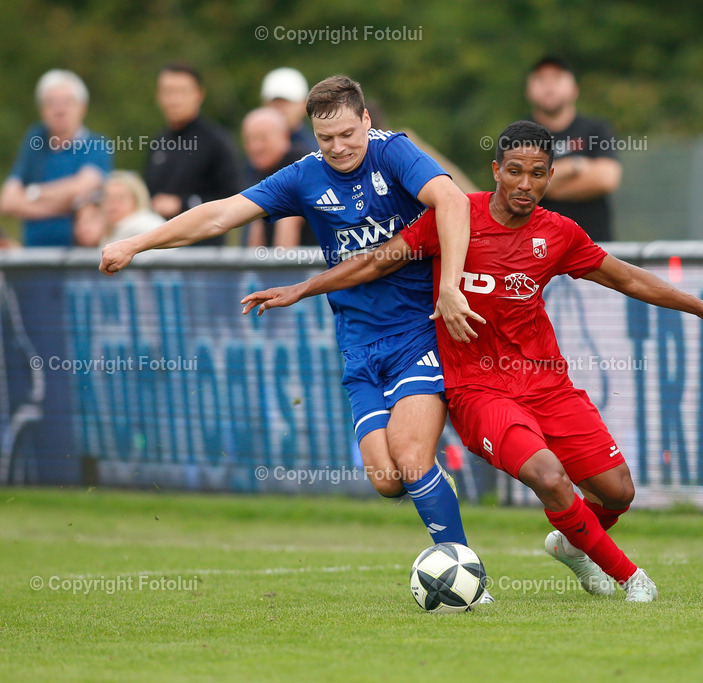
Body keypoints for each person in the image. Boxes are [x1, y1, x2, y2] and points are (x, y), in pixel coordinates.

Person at [239, 121, 703, 602]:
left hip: (548, 385)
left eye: (537, 174)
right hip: (477, 391)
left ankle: (573, 544)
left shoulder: (558, 234)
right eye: (514, 171)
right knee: (549, 476)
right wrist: (302, 288)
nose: (525, 184)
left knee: (618, 490)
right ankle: (631, 578)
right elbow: (378, 258)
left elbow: (626, 277)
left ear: (550, 176)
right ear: (496, 172)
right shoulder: (454, 217)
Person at [100, 76, 490, 601]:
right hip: (357, 342)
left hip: (417, 331)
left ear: (366, 121)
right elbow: (220, 214)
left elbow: (453, 201)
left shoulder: (394, 153)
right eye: (326, 138)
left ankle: (466, 576)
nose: (339, 147)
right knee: (386, 477)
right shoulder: (305, 176)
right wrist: (138, 241)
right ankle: (438, 487)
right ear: (312, 133)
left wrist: (448, 288)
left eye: (348, 134)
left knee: (412, 456)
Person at [0, 69, 112, 246]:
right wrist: (64, 205)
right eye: (51, 103)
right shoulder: (34, 142)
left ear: (82, 107)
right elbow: (7, 201)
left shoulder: (97, 145)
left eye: (67, 102)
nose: (59, 110)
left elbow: (81, 189)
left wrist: (32, 193)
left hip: (80, 260)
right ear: (42, 109)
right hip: (33, 258)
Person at [144, 61, 242, 244]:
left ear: (199, 94)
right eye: (167, 92)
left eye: (181, 91)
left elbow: (234, 200)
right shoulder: (159, 142)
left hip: (203, 256)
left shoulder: (217, 141)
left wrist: (182, 204)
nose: (173, 99)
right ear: (158, 96)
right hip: (161, 253)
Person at [526, 56, 622, 242]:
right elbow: (518, 187)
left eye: (557, 79)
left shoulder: (596, 129)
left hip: (595, 247)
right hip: (538, 249)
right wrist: (574, 166)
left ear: (574, 89)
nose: (549, 86)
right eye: (540, 79)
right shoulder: (520, 133)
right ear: (528, 90)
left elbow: (606, 179)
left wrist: (545, 184)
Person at [240, 107, 310, 247]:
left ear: (284, 137)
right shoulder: (261, 169)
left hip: (314, 264)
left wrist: (278, 267)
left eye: (263, 138)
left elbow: (289, 223)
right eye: (250, 140)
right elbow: (257, 222)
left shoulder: (298, 166)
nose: (255, 147)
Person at [75, 171, 165, 247]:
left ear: (136, 200)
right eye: (108, 198)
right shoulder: (111, 234)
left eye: (120, 198)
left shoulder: (145, 228)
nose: (113, 204)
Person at [261, 67, 319, 154]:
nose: (279, 108)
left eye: (286, 102)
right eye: (274, 102)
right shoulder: (257, 152)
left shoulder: (314, 152)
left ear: (304, 105)